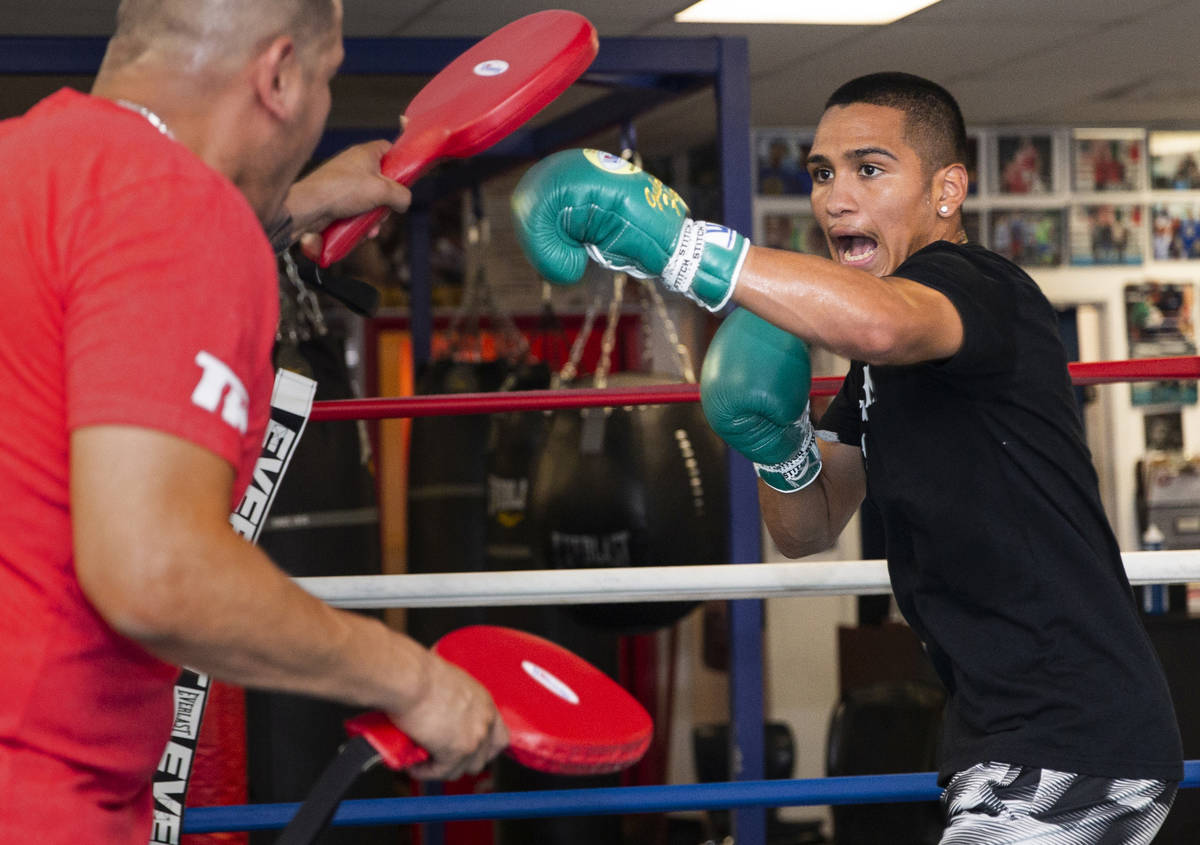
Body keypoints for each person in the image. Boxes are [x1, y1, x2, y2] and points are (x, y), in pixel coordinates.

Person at [510, 71, 1182, 843]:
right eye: (823, 173)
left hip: (1073, 731)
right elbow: (809, 525)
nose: (835, 198)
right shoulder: (873, 366)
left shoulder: (978, 290)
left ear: (947, 189)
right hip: (997, 733)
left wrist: (679, 244)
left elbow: (884, 324)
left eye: (870, 168)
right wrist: (778, 445)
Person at [0, 1, 508, 841]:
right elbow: (155, 570)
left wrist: (293, 206)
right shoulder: (180, 212)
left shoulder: (24, 160)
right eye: (327, 77)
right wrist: (410, 679)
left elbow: (112, 253)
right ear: (277, 76)